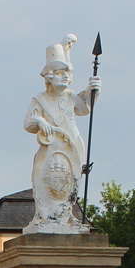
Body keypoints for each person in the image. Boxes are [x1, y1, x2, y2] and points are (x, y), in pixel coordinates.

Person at [22, 34, 101, 233]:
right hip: (50, 148)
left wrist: (92, 91)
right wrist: (40, 121)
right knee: (46, 181)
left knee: (71, 180)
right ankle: (46, 216)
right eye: (60, 72)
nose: (65, 76)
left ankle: (67, 215)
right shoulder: (40, 99)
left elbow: (84, 109)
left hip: (72, 144)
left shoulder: (70, 96)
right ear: (49, 76)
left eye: (66, 73)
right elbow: (27, 124)